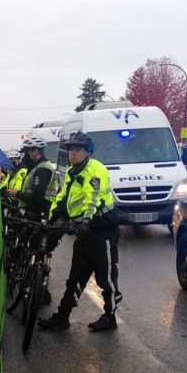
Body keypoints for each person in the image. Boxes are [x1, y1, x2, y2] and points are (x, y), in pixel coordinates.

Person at [38, 131, 122, 332]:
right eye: (70, 150)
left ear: (88, 152)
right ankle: (62, 316)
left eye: (77, 150)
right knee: (76, 276)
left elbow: (92, 198)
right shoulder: (71, 171)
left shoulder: (95, 170)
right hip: (83, 232)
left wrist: (85, 220)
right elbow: (64, 198)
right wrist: (52, 219)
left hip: (101, 230)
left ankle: (110, 317)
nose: (73, 154)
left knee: (106, 278)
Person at [8, 136, 56, 217]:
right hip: (31, 211)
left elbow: (37, 198)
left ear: (35, 151)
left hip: (39, 213)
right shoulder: (35, 167)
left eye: (27, 152)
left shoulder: (42, 170)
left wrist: (17, 194)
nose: (25, 156)